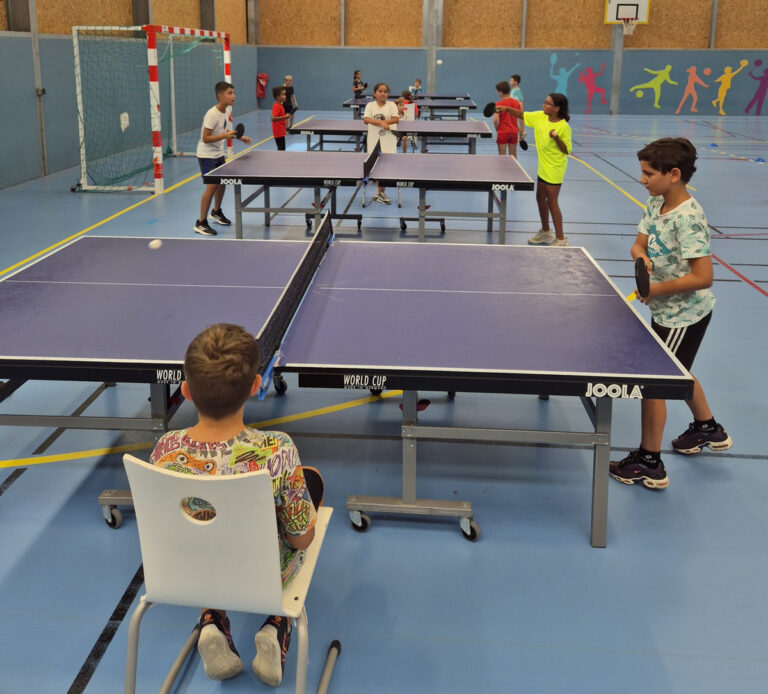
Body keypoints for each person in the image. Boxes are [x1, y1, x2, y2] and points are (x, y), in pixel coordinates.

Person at [150, 323, 321, 686]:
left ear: (186, 391)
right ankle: (276, 626)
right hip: (261, 573)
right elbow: (301, 540)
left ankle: (211, 619)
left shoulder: (164, 451)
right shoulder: (277, 451)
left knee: (206, 524)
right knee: (310, 495)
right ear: (257, 387)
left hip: (186, 570)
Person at [609, 138, 732, 489]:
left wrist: (655, 290)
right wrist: (640, 257)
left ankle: (650, 461)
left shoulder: (689, 217)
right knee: (678, 371)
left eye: (649, 173)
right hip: (665, 309)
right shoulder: (655, 202)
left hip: (683, 314)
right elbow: (639, 242)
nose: (642, 179)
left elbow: (702, 277)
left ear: (674, 174)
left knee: (653, 384)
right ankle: (707, 428)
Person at [497, 93, 572, 246]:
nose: (544, 105)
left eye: (548, 103)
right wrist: (506, 108)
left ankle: (561, 239)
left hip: (554, 167)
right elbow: (522, 114)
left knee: (552, 202)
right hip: (543, 166)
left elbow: (566, 150)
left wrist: (556, 138)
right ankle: (545, 232)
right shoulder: (540, 117)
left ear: (556, 108)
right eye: (544, 102)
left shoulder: (563, 126)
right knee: (540, 198)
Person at [194, 81, 252, 236]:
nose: (234, 96)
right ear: (220, 96)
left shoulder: (226, 111)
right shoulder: (211, 114)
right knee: (211, 187)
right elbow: (205, 138)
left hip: (218, 153)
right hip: (206, 156)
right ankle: (201, 222)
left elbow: (222, 129)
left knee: (222, 184)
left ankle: (216, 211)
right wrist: (226, 136)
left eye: (233, 92)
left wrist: (238, 136)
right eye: (230, 93)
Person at [363, 82, 400, 204]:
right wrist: (380, 123)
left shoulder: (392, 105)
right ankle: (380, 192)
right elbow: (366, 119)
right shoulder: (370, 105)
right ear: (375, 93)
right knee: (374, 165)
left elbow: (396, 118)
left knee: (386, 166)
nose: (383, 93)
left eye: (385, 91)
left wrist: (385, 123)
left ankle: (380, 192)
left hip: (388, 139)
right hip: (374, 138)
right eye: (380, 91)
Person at [493, 81, 521, 158]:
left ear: (501, 92)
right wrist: (521, 130)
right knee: (513, 155)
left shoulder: (499, 104)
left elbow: (495, 120)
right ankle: (514, 170)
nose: (497, 94)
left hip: (503, 131)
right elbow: (521, 116)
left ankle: (502, 170)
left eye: (497, 92)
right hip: (514, 132)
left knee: (502, 156)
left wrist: (497, 129)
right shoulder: (516, 103)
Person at [509, 74, 527, 149]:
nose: (510, 81)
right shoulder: (513, 90)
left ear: (516, 82)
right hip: (512, 109)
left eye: (511, 80)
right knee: (513, 123)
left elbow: (521, 100)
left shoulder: (518, 90)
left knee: (517, 122)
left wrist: (521, 109)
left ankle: (522, 132)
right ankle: (521, 133)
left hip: (517, 109)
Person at [271, 86, 291, 151]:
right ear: (277, 97)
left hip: (281, 130)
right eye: (283, 95)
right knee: (281, 149)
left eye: (285, 94)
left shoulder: (280, 105)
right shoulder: (276, 106)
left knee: (282, 148)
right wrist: (285, 117)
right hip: (278, 131)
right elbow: (273, 118)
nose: (285, 96)